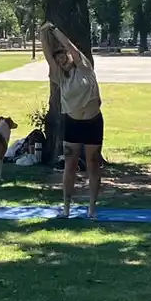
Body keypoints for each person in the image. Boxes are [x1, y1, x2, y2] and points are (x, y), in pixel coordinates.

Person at [38, 21, 104, 218]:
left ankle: (92, 207)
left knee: (93, 163)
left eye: (63, 57)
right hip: (73, 124)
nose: (61, 60)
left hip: (93, 122)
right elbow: (47, 56)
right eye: (58, 59)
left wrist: (56, 31)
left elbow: (71, 47)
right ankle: (66, 207)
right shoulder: (60, 77)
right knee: (70, 164)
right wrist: (43, 35)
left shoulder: (84, 67)